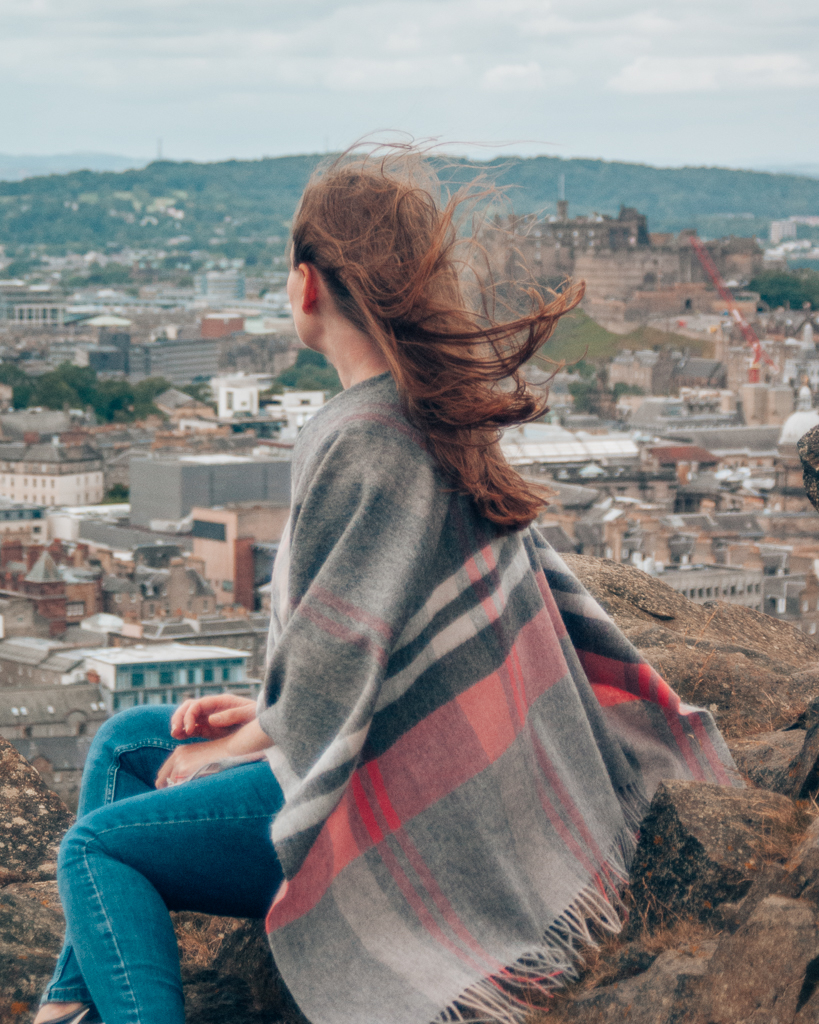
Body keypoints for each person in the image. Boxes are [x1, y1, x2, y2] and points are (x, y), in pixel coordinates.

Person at [35, 149, 735, 1024]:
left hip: (394, 807)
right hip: (430, 757)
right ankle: (67, 1010)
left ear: (305, 286)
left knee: (94, 850)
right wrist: (261, 723)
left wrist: (250, 741)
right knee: (122, 746)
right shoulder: (431, 411)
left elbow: (339, 656)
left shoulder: (365, 437)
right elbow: (366, 644)